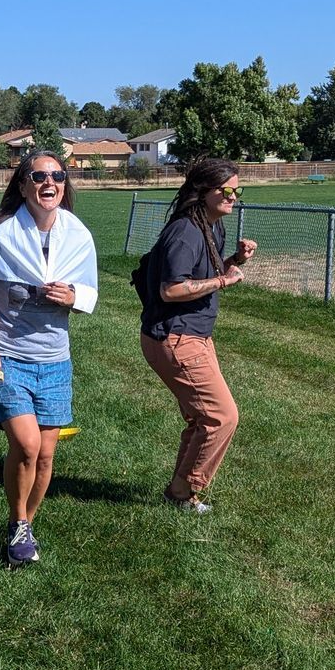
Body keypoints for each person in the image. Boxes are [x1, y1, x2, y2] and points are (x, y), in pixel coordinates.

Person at [0, 151, 99, 567]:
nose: (49, 182)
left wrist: (73, 297)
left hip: (56, 361)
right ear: (22, 185)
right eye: (38, 176)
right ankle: (19, 521)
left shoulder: (77, 236)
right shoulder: (0, 238)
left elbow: (88, 292)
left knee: (45, 455)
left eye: (57, 175)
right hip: (8, 358)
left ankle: (22, 527)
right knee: (26, 444)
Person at [136, 157, 255, 514]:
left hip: (195, 336)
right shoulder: (185, 232)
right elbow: (171, 290)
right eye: (227, 190)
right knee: (221, 417)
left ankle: (180, 492)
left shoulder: (211, 225)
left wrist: (235, 260)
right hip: (175, 338)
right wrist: (223, 280)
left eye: (238, 190)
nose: (234, 196)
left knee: (203, 418)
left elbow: (204, 271)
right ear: (203, 192)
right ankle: (184, 492)